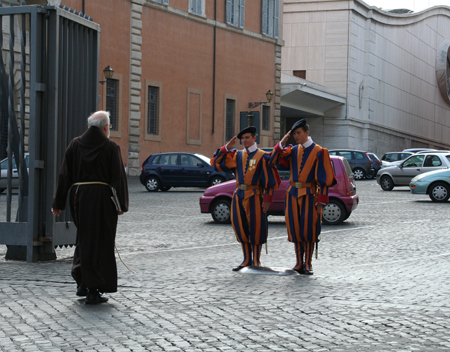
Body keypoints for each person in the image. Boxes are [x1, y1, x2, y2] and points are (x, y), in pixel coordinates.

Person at [51, 111, 129, 304]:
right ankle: (93, 288)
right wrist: (121, 205)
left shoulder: (75, 145)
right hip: (102, 199)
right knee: (101, 241)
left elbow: (64, 175)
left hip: (79, 198)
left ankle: (82, 282)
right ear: (105, 127)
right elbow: (118, 177)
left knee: (84, 238)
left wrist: (58, 203)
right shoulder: (111, 147)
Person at [270, 119, 335, 275]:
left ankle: (308, 264)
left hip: (310, 195)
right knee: (295, 229)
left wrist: (322, 201)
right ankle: (299, 262)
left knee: (309, 230)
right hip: (292, 194)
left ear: (307, 132)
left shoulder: (320, 151)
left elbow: (325, 180)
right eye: (294, 134)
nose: (296, 136)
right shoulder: (292, 150)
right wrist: (282, 142)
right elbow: (273, 160)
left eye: (299, 133)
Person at [211, 126, 280, 271]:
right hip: (238, 195)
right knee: (240, 226)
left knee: (256, 227)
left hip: (255, 195)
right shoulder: (237, 155)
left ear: (254, 138)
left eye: (247, 137)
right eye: (242, 138)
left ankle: (256, 260)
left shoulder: (263, 156)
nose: (244, 140)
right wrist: (226, 148)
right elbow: (216, 164)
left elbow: (270, 180)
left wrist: (267, 199)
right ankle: (246, 259)